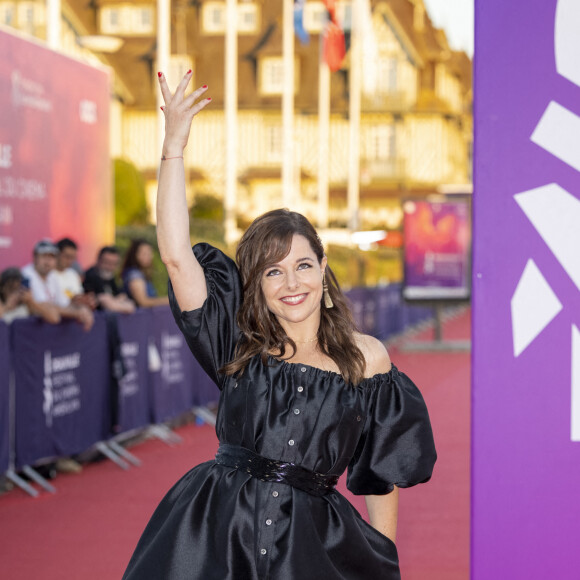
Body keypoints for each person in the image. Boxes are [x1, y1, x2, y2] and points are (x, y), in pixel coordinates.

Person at [122, 72, 436, 580]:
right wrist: (173, 146)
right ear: (258, 284)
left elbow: (379, 477)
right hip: (214, 535)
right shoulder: (237, 345)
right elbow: (177, 257)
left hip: (308, 546)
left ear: (322, 265)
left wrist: (381, 559)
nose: (291, 282)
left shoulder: (366, 358)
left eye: (302, 265)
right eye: (272, 270)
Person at [21, 240, 94, 331]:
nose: (47, 262)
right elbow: (51, 313)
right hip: (26, 332)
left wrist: (82, 307)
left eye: (51, 257)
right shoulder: (26, 276)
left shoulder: (52, 276)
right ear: (35, 257)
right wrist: (76, 312)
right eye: (44, 256)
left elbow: (62, 305)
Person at [83, 246, 136, 314]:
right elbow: (102, 301)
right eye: (107, 262)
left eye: (114, 264)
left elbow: (122, 297)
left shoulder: (110, 277)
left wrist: (114, 301)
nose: (109, 267)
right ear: (98, 260)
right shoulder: (90, 276)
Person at [121, 239, 169, 308]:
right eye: (144, 253)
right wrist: (169, 300)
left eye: (149, 253)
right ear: (135, 255)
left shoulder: (142, 273)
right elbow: (143, 302)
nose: (149, 256)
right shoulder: (134, 275)